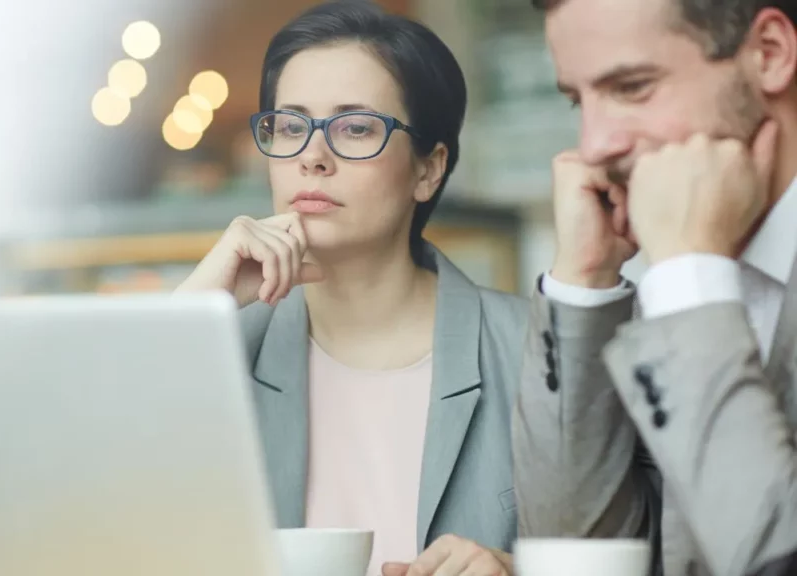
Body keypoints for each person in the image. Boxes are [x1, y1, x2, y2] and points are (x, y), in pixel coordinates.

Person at [176, 2, 527, 575]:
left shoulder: (536, 352)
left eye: (355, 128)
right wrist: (192, 315)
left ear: (428, 170)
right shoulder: (214, 353)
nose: (312, 157)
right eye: (291, 126)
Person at [511, 0, 797, 574]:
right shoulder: (659, 288)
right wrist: (584, 281)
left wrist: (688, 278)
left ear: (768, 54)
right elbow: (579, 553)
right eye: (577, 100)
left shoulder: (679, 284)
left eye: (633, 87)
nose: (594, 146)